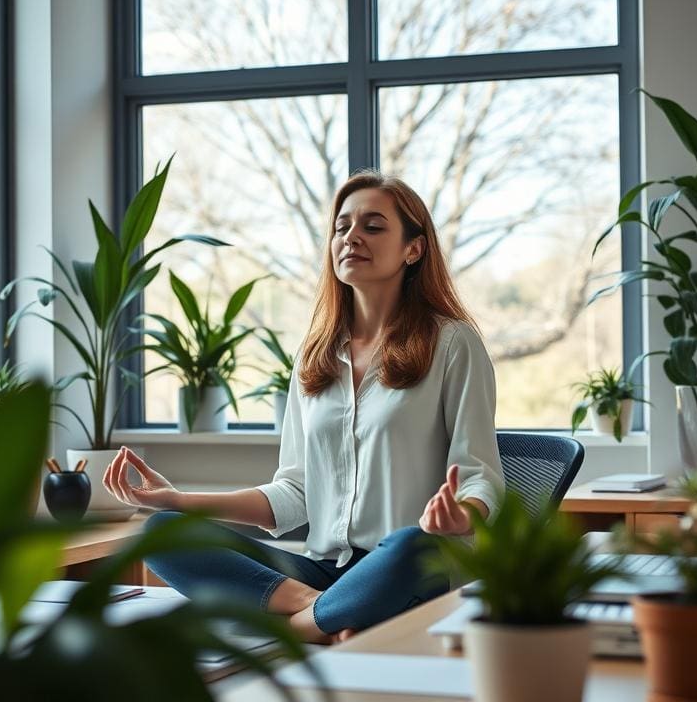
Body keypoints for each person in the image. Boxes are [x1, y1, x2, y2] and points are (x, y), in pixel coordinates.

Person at [103, 169, 504, 644]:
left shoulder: (453, 344)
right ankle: (315, 613)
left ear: (413, 249)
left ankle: (297, 626)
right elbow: (293, 494)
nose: (351, 236)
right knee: (164, 531)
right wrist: (178, 500)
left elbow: (480, 473)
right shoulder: (316, 355)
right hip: (323, 572)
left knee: (413, 546)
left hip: (407, 567)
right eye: (342, 227)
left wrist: (465, 512)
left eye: (373, 226)